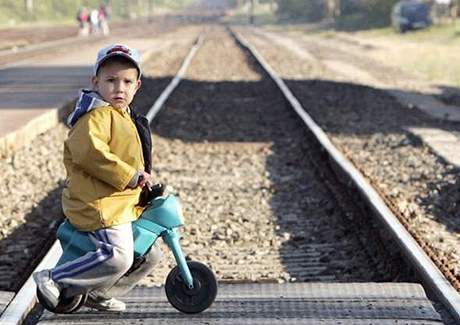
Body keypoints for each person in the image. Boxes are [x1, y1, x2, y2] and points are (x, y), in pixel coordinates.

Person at [33, 44, 162, 312]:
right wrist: (130, 175)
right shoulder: (95, 116)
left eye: (127, 82)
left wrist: (143, 180)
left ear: (137, 86)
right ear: (96, 82)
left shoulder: (124, 115)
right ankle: (54, 278)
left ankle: (98, 291)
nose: (119, 88)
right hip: (98, 202)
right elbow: (92, 154)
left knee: (149, 254)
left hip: (122, 202)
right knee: (118, 256)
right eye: (111, 80)